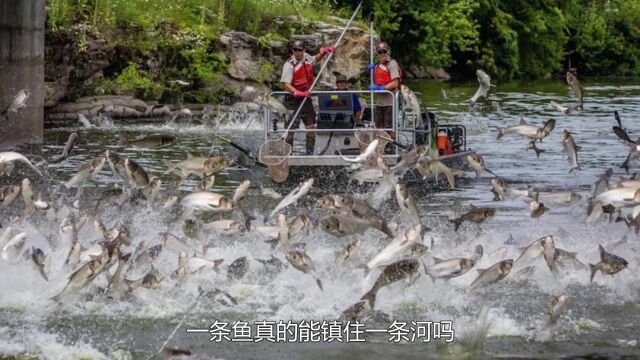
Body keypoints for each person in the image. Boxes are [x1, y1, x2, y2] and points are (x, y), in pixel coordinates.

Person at [280, 40, 335, 154]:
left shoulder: (306, 58)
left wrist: (323, 53)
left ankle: (309, 153)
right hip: (293, 100)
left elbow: (315, 59)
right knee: (290, 130)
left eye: (300, 50)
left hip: (306, 99)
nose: (297, 52)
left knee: (311, 127)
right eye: (295, 50)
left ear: (304, 50)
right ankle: (288, 155)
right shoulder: (289, 64)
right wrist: (296, 92)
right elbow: (285, 84)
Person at [368, 42, 401, 140]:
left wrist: (381, 88)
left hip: (390, 103)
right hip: (379, 103)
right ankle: (379, 149)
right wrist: (369, 71)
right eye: (380, 52)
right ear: (377, 53)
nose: (382, 54)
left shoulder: (392, 64)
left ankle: (390, 149)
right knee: (378, 129)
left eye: (384, 51)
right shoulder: (376, 66)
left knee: (389, 129)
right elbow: (375, 81)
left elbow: (395, 83)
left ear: (388, 52)